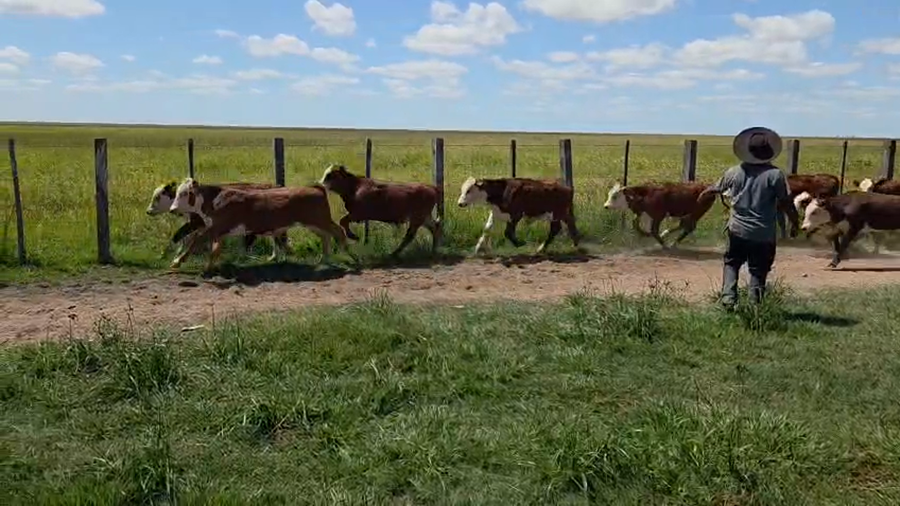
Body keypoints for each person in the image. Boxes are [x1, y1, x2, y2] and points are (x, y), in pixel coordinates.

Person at [703, 126, 800, 309]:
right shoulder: (775, 175)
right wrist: (794, 222)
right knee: (759, 269)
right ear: (769, 152)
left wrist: (698, 202)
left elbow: (713, 190)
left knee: (732, 263)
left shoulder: (734, 172)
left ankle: (728, 299)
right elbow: (786, 202)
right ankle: (755, 306)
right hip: (763, 232)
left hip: (737, 230)